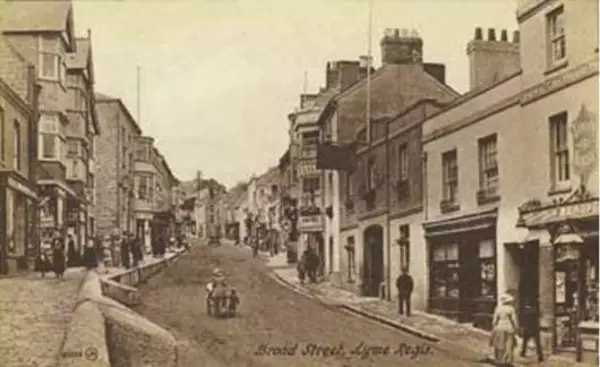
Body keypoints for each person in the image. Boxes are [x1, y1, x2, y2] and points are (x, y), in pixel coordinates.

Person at [490, 293, 518, 366]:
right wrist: (516, 328)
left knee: (499, 344)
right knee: (508, 344)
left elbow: (494, 321)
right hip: (509, 328)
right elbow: (514, 320)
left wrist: (493, 328)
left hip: (499, 327)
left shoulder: (498, 308)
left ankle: (499, 360)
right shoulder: (511, 309)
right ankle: (507, 361)